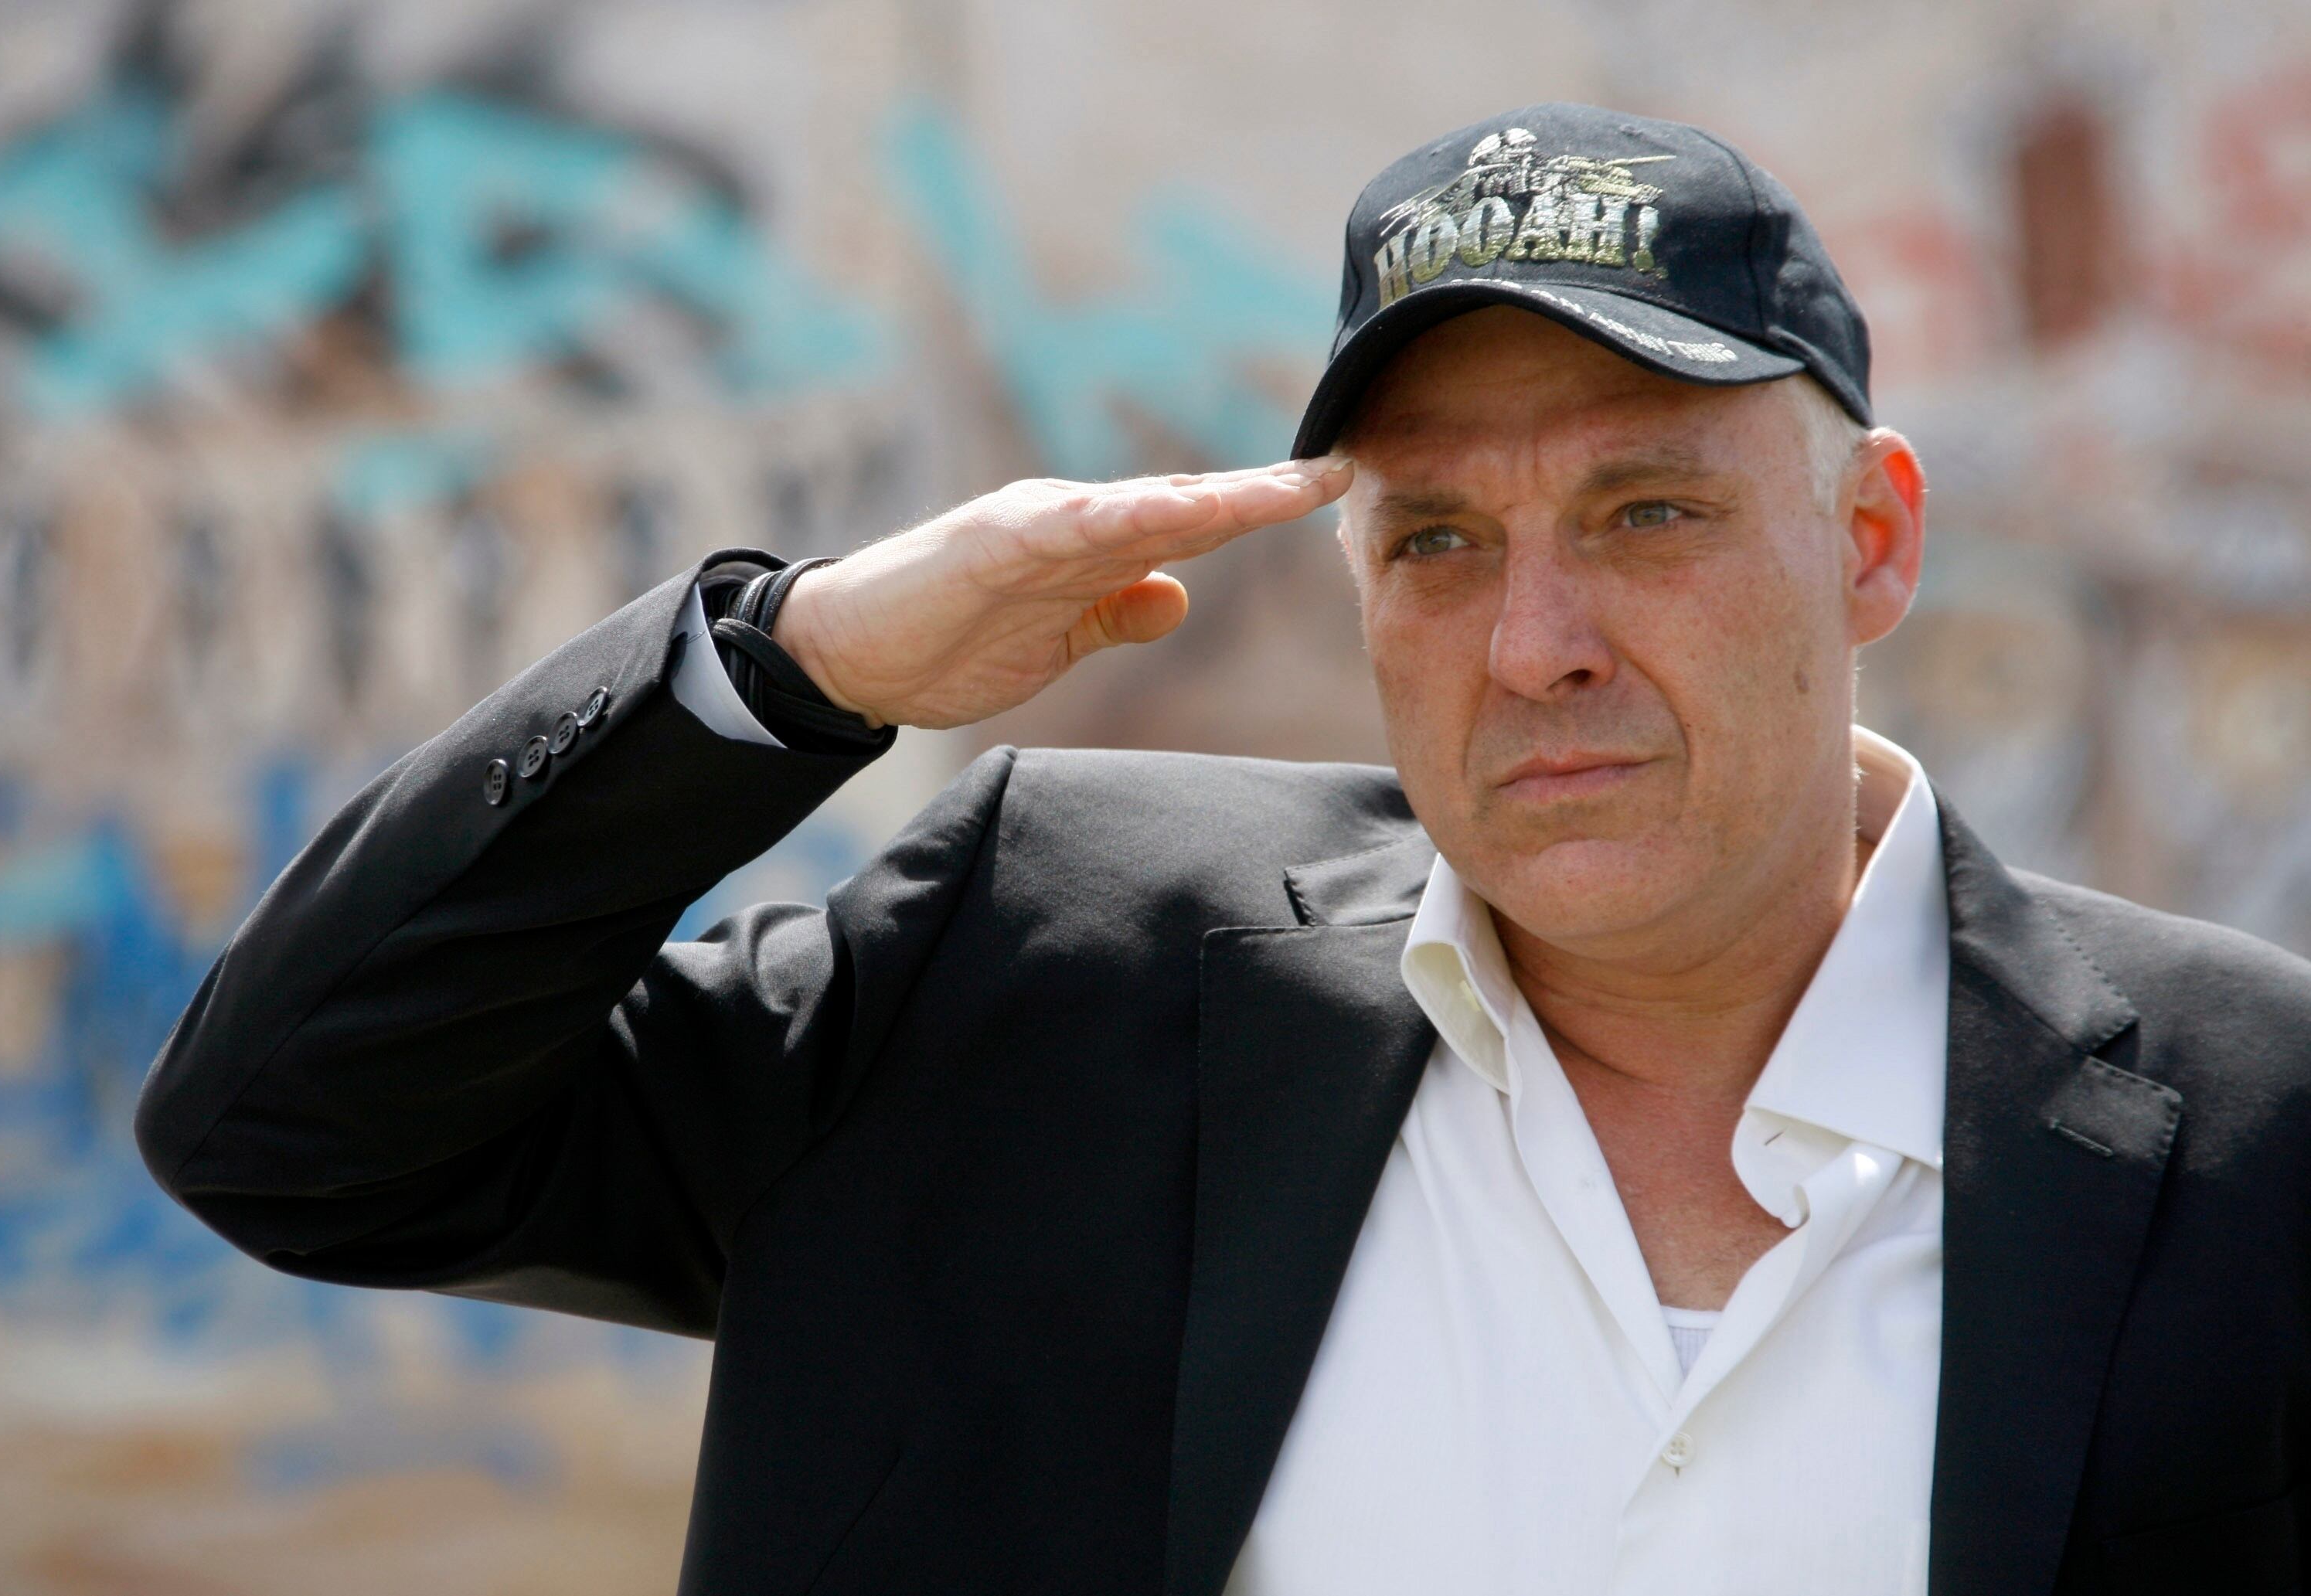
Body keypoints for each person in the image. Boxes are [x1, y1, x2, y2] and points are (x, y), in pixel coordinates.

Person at [135, 102, 2311, 1595]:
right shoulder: (1053, 972)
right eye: (1436, 540)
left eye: (1648, 511)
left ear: (1872, 540)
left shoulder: (2253, 1131)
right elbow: (296, 1128)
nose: (1537, 643)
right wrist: (797, 665)